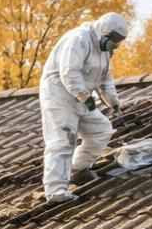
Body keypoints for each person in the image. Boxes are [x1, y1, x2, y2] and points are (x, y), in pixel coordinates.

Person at [39, 12, 129, 204]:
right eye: (113, 38)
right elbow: (69, 72)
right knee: (63, 140)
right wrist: (86, 98)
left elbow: (105, 77)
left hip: (82, 97)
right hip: (59, 95)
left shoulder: (103, 51)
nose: (115, 44)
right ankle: (55, 191)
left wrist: (113, 101)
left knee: (101, 130)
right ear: (103, 31)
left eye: (118, 40)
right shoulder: (78, 39)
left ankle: (77, 169)